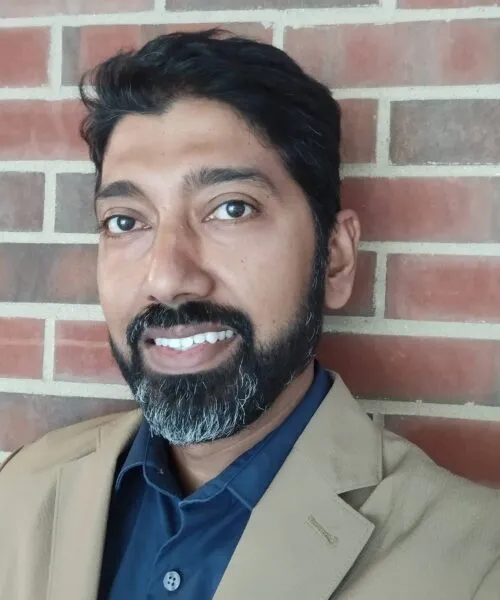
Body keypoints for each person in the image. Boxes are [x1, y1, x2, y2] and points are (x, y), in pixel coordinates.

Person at [1, 29, 500, 600]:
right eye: (126, 220)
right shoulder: (24, 492)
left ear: (334, 259)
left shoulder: (475, 563)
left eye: (230, 209)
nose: (166, 277)